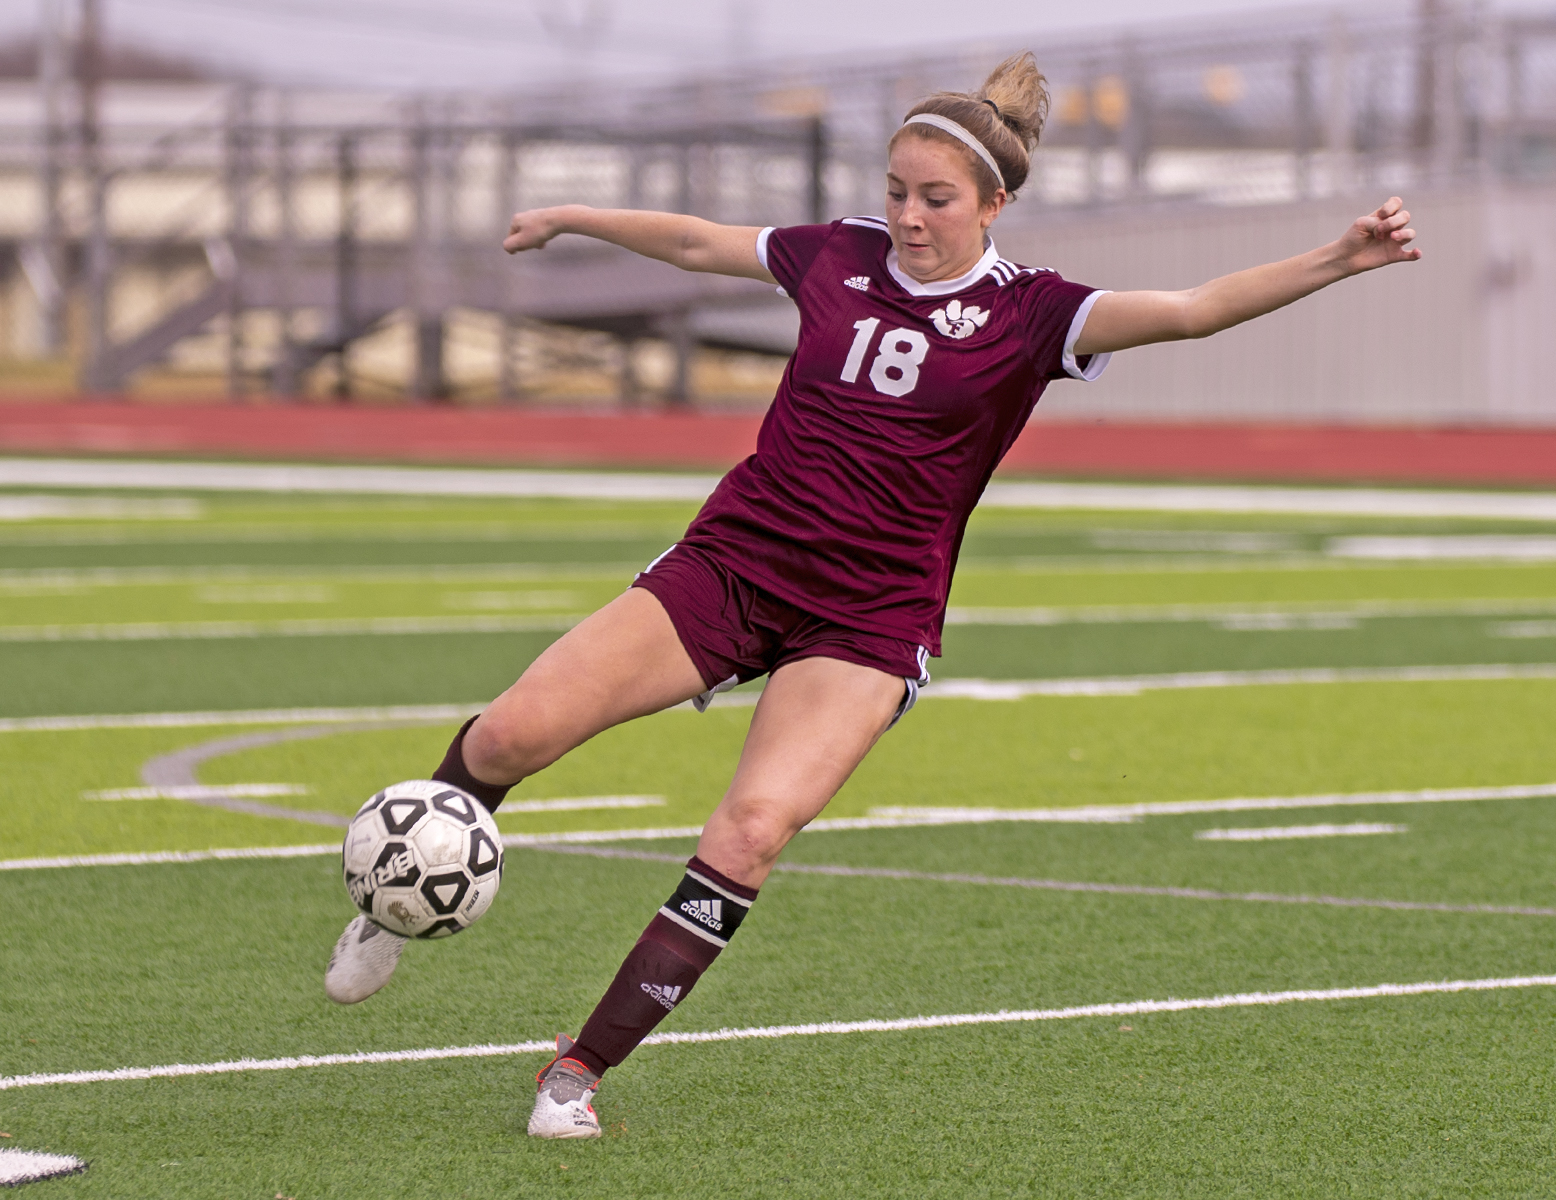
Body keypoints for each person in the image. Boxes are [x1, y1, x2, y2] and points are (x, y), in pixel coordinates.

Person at [322, 51, 1419, 1138]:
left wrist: (1339, 256)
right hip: (734, 563)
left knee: (751, 831)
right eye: (896, 191)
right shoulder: (837, 258)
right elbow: (704, 243)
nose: (907, 216)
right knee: (513, 733)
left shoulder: (1034, 314)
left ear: (993, 203)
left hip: (870, 620)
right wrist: (574, 213)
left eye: (935, 199)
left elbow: (1191, 309)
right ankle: (392, 899)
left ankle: (578, 1072)